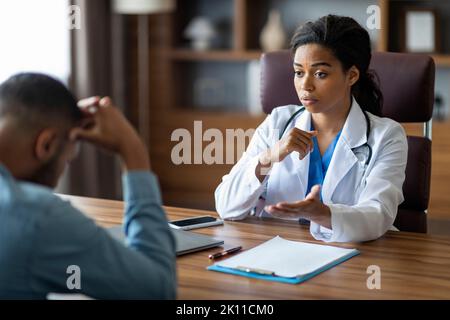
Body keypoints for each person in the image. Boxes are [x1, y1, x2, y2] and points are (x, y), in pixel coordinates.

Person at [215, 15, 408, 243]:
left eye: (320, 74)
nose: (305, 85)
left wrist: (322, 214)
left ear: (352, 75)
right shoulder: (278, 122)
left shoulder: (386, 136)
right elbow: (226, 207)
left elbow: (378, 216)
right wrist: (269, 157)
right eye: (299, 72)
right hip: (277, 253)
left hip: (352, 260)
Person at [0, 73, 176, 299]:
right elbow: (157, 291)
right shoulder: (38, 215)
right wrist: (133, 149)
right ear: (46, 145)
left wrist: (63, 121)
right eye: (67, 158)